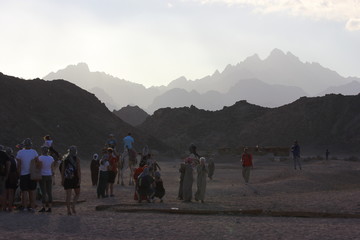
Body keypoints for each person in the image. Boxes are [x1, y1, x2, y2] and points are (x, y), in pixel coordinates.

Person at [16, 138, 39, 212]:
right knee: (32, 191)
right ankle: (32, 207)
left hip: (23, 174)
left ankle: (25, 207)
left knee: (24, 191)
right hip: (32, 174)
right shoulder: (34, 152)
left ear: (24, 145)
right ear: (31, 145)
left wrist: (18, 175)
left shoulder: (20, 152)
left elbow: (19, 165)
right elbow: (37, 162)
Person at [61, 146, 81, 215]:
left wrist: (62, 180)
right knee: (77, 193)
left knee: (68, 195)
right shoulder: (77, 159)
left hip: (67, 178)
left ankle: (68, 210)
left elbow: (63, 171)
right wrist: (79, 179)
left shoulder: (65, 159)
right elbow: (78, 170)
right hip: (75, 178)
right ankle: (73, 205)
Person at [38, 146, 55, 213]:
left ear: (42, 151)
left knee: (43, 192)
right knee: (49, 191)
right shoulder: (51, 158)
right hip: (49, 175)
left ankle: (44, 207)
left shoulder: (40, 158)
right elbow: (52, 167)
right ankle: (50, 207)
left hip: (42, 175)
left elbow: (39, 167)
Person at [5, 147, 18, 211]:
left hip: (5, 176)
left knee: (5, 192)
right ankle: (10, 207)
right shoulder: (14, 160)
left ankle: (4, 207)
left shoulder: (3, 159)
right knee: (11, 192)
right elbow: (17, 168)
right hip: (13, 176)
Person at [0, 145, 11, 210]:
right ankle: (3, 207)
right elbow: (8, 164)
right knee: (2, 192)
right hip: (2, 176)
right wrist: (7, 175)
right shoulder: (4, 154)